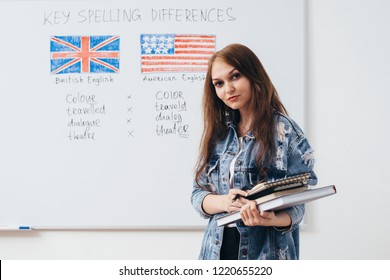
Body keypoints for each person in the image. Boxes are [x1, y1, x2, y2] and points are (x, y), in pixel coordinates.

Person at [191, 43, 317, 260]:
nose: (227, 89)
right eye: (218, 83)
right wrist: (224, 202)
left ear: (253, 75)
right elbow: (198, 195)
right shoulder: (218, 135)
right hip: (216, 252)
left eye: (235, 76)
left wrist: (270, 218)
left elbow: (300, 200)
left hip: (266, 254)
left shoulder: (284, 131)